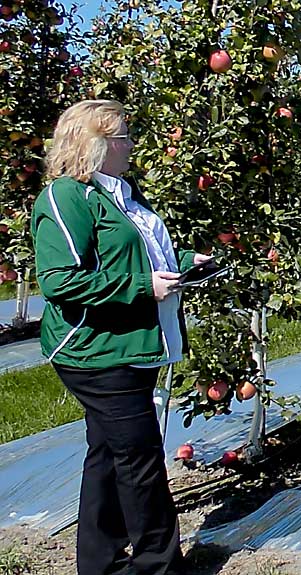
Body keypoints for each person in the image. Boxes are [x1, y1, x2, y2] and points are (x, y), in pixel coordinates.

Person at [32, 100, 211, 574]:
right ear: (95, 144)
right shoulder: (65, 197)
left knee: (109, 455)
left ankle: (98, 562)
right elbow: (59, 280)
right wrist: (142, 287)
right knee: (140, 460)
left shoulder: (120, 193)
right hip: (94, 349)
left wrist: (184, 261)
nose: (131, 145)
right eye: (123, 137)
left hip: (131, 343)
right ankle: (158, 565)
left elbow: (134, 251)